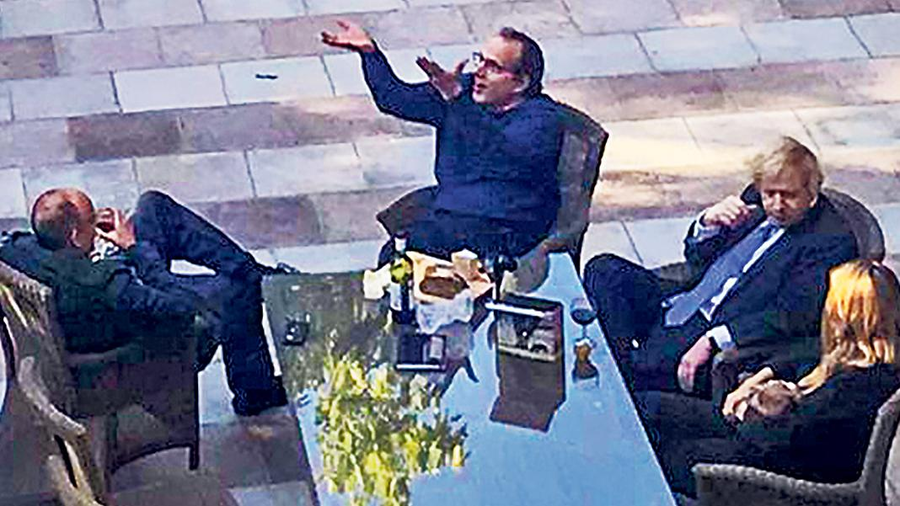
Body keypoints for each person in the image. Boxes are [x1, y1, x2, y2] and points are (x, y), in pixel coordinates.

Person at [584, 136, 858, 397]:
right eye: (770, 194)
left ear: (812, 193)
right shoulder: (754, 199)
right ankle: (621, 366)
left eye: (788, 196)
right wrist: (707, 224)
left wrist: (713, 339)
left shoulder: (830, 242)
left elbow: (791, 316)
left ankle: (623, 375)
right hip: (684, 298)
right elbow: (696, 258)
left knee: (645, 363)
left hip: (716, 324)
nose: (777, 205)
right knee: (603, 270)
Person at [0, 189, 287, 417]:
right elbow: (175, 302)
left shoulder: (17, 249)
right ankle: (255, 391)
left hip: (113, 298)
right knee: (236, 293)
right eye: (92, 221)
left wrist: (107, 249)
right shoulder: (105, 284)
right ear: (74, 237)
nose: (97, 223)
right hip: (158, 337)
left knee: (154, 206)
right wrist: (133, 249)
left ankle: (259, 275)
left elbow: (84, 271)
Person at [635, 260, 900, 496]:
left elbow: (788, 436)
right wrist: (756, 382)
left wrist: (746, 409)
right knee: (649, 407)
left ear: (845, 316)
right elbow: (800, 352)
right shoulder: (852, 349)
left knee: (667, 456)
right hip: (759, 430)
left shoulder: (858, 386)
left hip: (776, 464)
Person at [322, 21, 564, 261]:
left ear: (520, 83)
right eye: (480, 60)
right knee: (400, 243)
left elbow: (500, 153)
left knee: (403, 254)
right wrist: (370, 53)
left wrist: (457, 100)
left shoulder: (542, 119)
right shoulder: (464, 90)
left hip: (507, 223)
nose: (480, 72)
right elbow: (394, 99)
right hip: (460, 207)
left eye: (494, 67)